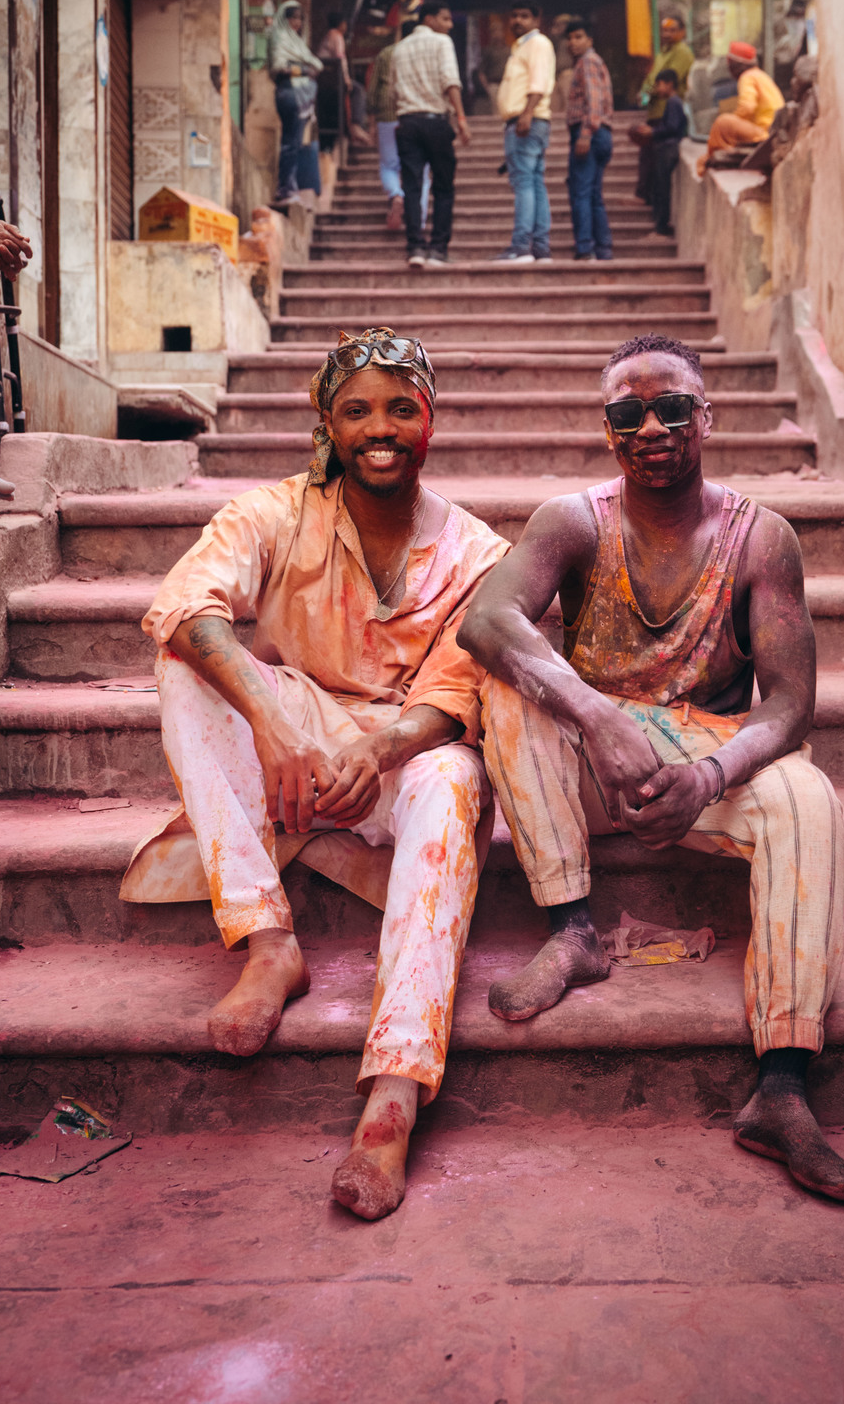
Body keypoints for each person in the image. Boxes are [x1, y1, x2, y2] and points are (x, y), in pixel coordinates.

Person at [458, 331, 844, 1208]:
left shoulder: (762, 538)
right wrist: (596, 714)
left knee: (807, 795)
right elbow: (485, 620)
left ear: (705, 417)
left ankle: (782, 1084)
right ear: (607, 429)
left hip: (705, 758)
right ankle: (573, 931)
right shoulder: (572, 519)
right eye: (627, 412)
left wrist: (712, 775)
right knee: (508, 686)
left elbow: (789, 705)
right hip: (594, 764)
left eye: (671, 407)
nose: (650, 426)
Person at [122, 329, 510, 1220]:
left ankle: (394, 1093)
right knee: (185, 664)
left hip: (405, 752)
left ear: (430, 422)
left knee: (455, 783)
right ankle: (267, 942)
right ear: (328, 426)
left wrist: (379, 752)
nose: (381, 428)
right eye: (357, 411)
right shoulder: (274, 512)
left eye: (400, 409)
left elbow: (459, 691)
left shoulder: (479, 552)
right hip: (294, 734)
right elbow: (184, 604)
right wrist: (272, 726)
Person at [390, 0, 471, 269]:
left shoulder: (398, 49)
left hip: (407, 122)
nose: (449, 25)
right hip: (436, 122)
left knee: (412, 186)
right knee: (444, 187)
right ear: (429, 19)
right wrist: (461, 118)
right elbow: (450, 81)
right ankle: (438, 249)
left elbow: (393, 91)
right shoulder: (441, 43)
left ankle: (415, 247)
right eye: (445, 19)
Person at [495, 0, 556, 264]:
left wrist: (527, 113)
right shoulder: (521, 47)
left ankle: (520, 247)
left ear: (536, 18)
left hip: (527, 121)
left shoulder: (537, 43)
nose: (517, 21)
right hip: (528, 120)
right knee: (534, 183)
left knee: (524, 184)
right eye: (514, 15)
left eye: (524, 16)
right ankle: (540, 248)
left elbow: (539, 81)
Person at [366, 24, 429, 233]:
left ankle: (396, 194)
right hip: (417, 111)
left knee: (389, 164)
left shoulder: (387, 53)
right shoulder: (424, 53)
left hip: (388, 112)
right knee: (421, 168)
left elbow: (374, 87)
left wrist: (371, 118)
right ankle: (418, 219)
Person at [563, 18, 614, 262]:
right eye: (570, 38)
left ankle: (585, 248)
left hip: (590, 132)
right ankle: (603, 249)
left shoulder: (588, 62)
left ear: (589, 40)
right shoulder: (592, 62)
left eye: (579, 37)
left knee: (581, 193)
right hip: (600, 133)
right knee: (593, 194)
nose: (573, 42)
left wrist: (585, 134)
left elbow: (594, 102)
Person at [630, 16, 695, 202]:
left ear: (682, 32)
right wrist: (643, 92)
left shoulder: (682, 52)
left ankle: (648, 199)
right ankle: (644, 195)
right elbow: (652, 79)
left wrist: (649, 91)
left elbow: (669, 80)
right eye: (664, 30)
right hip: (654, 110)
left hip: (667, 112)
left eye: (672, 30)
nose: (667, 34)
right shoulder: (662, 53)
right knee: (647, 156)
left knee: (656, 162)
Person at [697, 40, 784, 177]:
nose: (729, 68)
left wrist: (734, 120)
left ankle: (709, 157)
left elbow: (747, 107)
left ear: (737, 65)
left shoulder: (747, 77)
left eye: (730, 64)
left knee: (723, 122)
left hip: (764, 132)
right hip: (770, 130)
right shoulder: (760, 75)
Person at [267, 1, 322, 206]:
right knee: (290, 142)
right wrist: (304, 70)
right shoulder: (279, 37)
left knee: (295, 142)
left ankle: (290, 186)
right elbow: (279, 66)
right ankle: (286, 188)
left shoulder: (296, 41)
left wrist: (306, 68)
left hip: (300, 94)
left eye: (300, 18)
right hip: (289, 92)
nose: (297, 22)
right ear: (285, 18)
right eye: (293, 17)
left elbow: (317, 64)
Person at [637, 68, 688, 241]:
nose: (658, 89)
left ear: (669, 84)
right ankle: (660, 226)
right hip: (667, 148)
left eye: (659, 84)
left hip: (668, 149)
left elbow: (672, 127)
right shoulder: (673, 102)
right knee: (660, 187)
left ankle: (662, 228)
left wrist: (653, 132)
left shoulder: (674, 102)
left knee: (663, 188)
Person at [317, 12, 371, 150]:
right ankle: (356, 124)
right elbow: (340, 58)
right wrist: (346, 79)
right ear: (341, 24)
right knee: (358, 89)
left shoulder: (329, 35)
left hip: (327, 80)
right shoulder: (336, 35)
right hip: (332, 80)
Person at [475, 18, 511, 114]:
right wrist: (487, 87)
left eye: (499, 30)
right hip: (494, 85)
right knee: (497, 111)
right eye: (494, 31)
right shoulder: (488, 51)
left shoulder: (509, 50)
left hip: (508, 84)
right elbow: (481, 72)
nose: (497, 34)